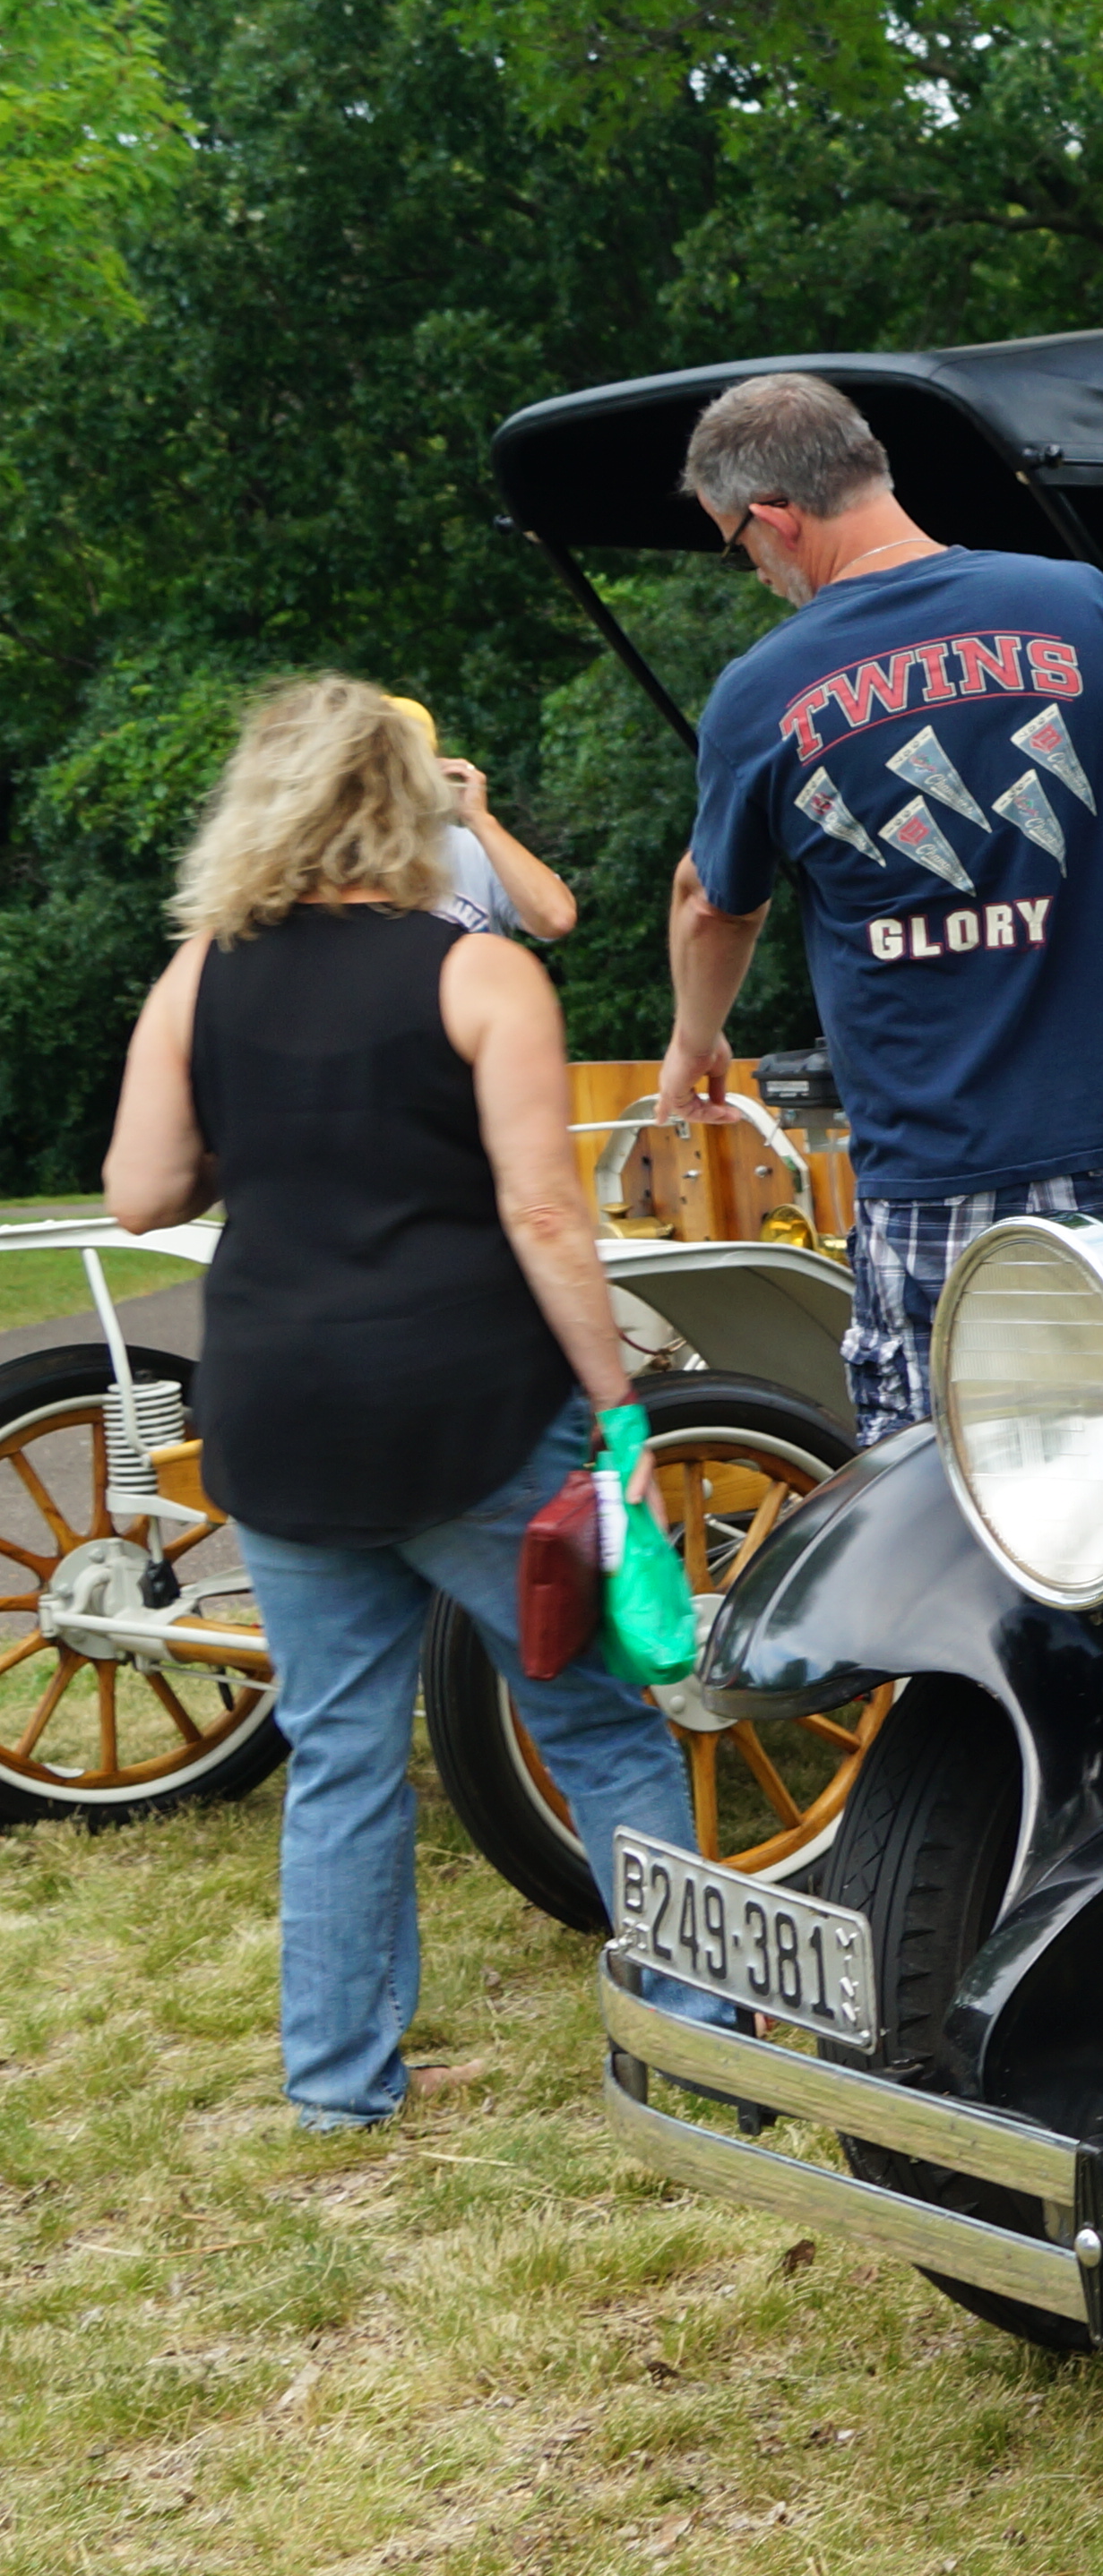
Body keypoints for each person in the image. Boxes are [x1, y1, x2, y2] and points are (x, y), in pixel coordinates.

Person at [99, 679, 729, 2134]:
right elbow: (545, 1217)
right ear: (401, 798)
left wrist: (263, 1144)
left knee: (340, 1753)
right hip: (474, 1419)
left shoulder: (202, 971)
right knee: (604, 1732)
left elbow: (140, 1189)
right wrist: (615, 1390)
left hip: (282, 1412)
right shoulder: (479, 971)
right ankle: (704, 2050)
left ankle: (338, 2088)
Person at [652, 371, 1103, 1436]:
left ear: (775, 519)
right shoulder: (1081, 606)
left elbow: (713, 901)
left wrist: (694, 1040)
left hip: (937, 1169)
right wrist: (1096, 885)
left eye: (736, 545)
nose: (752, 570)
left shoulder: (764, 688)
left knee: (939, 1495)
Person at [386, 696, 580, 945]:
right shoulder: (336, 858)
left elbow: (556, 919)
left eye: (411, 764)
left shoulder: (471, 848)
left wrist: (478, 818)